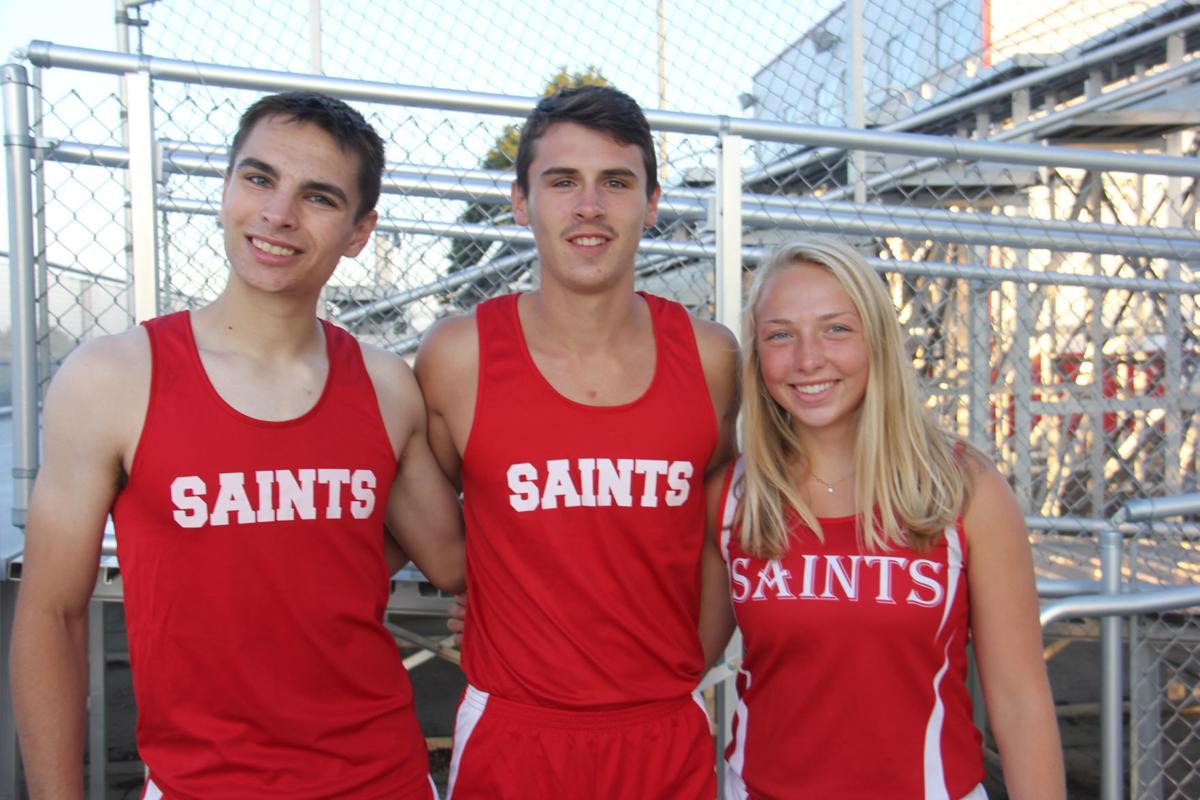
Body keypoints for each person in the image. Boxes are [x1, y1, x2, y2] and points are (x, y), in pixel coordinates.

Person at [10, 91, 465, 799]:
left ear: (359, 231)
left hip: (380, 777)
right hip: (202, 784)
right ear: (226, 188)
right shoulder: (113, 378)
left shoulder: (383, 385)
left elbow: (453, 556)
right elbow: (51, 614)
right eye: (258, 179)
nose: (278, 214)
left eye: (317, 197)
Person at [415, 85, 738, 799]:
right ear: (521, 201)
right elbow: (425, 525)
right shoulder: (458, 358)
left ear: (651, 203)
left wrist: (687, 663)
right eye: (562, 181)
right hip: (515, 731)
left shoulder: (711, 359)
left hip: (664, 732)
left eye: (615, 183)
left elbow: (719, 528)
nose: (588, 206)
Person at [702, 235, 1065, 799]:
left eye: (836, 329)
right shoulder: (733, 497)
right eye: (780, 336)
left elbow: (1020, 700)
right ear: (758, 355)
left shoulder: (963, 490)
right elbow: (678, 665)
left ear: (877, 338)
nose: (808, 359)